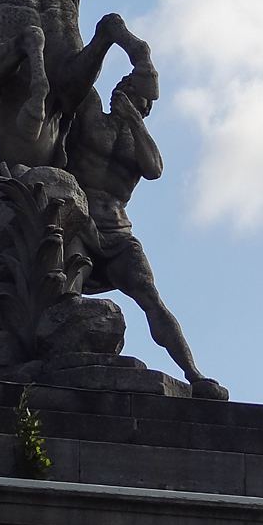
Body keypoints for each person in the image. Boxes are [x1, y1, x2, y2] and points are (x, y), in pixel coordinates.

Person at [66, 78, 227, 398]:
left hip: (118, 230)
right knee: (66, 288)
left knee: (150, 297)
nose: (140, 104)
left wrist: (134, 121)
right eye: (134, 96)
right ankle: (63, 357)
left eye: (144, 103)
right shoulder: (91, 117)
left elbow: (154, 169)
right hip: (79, 224)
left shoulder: (138, 143)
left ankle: (193, 373)